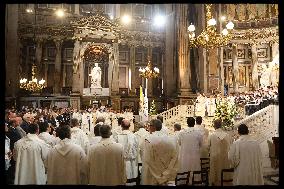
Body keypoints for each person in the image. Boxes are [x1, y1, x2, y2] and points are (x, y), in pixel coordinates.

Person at [141, 119, 178, 185]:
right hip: (167, 176)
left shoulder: (147, 139)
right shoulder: (171, 139)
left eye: (149, 126)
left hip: (152, 176)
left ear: (153, 127)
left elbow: (147, 160)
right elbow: (175, 158)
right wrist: (166, 174)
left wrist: (159, 177)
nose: (148, 127)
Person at [178, 117, 203, 184]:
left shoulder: (181, 133)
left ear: (187, 123)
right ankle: (196, 181)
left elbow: (179, 143)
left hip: (185, 155)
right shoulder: (198, 133)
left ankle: (184, 181)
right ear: (194, 123)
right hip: (195, 155)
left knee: (184, 169)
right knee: (195, 169)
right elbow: (201, 144)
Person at [208, 119, 233, 186]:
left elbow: (207, 147)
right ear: (221, 125)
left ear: (214, 126)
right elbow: (231, 147)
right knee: (225, 176)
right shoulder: (227, 135)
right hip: (225, 158)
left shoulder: (211, 136)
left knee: (215, 177)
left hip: (215, 158)